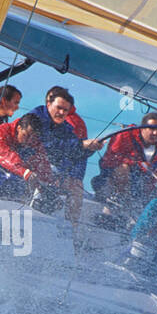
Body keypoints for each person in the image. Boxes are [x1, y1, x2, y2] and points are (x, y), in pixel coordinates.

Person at [31, 86, 102, 221]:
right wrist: (82, 144)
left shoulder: (66, 128)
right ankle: (33, 215)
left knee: (76, 188)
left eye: (65, 110)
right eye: (58, 108)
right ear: (48, 104)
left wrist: (89, 149)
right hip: (27, 166)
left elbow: (72, 153)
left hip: (50, 172)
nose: (61, 112)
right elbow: (47, 146)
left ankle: (70, 232)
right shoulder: (36, 117)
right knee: (50, 172)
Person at [92, 110, 157, 220]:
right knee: (123, 169)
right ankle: (112, 211)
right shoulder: (125, 135)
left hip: (139, 190)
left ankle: (139, 225)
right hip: (109, 182)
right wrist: (136, 164)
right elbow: (109, 161)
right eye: (151, 128)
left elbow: (156, 178)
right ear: (142, 128)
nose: (155, 133)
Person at [0, 112, 57, 202]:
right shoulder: (1, 133)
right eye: (26, 135)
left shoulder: (35, 143)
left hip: (8, 192)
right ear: (19, 128)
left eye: (33, 138)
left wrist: (50, 183)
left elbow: (42, 164)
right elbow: (6, 156)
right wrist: (25, 172)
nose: (29, 140)